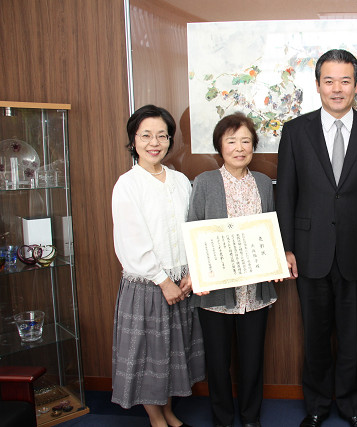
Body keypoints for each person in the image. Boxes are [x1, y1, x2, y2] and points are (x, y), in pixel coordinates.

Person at [276, 49, 357, 427]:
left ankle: (352, 406)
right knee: (315, 336)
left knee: (351, 336)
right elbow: (286, 194)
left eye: (345, 81)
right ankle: (315, 406)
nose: (337, 89)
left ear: (356, 85)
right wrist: (286, 248)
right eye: (329, 81)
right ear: (317, 85)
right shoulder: (296, 131)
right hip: (309, 252)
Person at [111, 104, 205, 427]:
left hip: (181, 281)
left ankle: (168, 411)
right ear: (133, 139)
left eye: (162, 136)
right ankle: (156, 418)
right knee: (151, 355)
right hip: (149, 285)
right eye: (146, 135)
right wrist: (161, 280)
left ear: (170, 140)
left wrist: (192, 271)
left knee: (169, 354)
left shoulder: (181, 181)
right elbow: (132, 239)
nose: (155, 142)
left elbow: (193, 228)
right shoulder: (128, 184)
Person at [187, 112, 277, 427]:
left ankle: (251, 417)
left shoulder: (264, 183)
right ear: (220, 146)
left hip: (255, 291)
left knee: (252, 361)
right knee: (218, 361)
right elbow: (193, 230)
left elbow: (271, 231)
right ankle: (223, 418)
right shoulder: (205, 182)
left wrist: (275, 260)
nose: (239, 148)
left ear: (253, 146)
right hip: (215, 288)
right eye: (231, 141)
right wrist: (197, 274)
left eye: (246, 141)